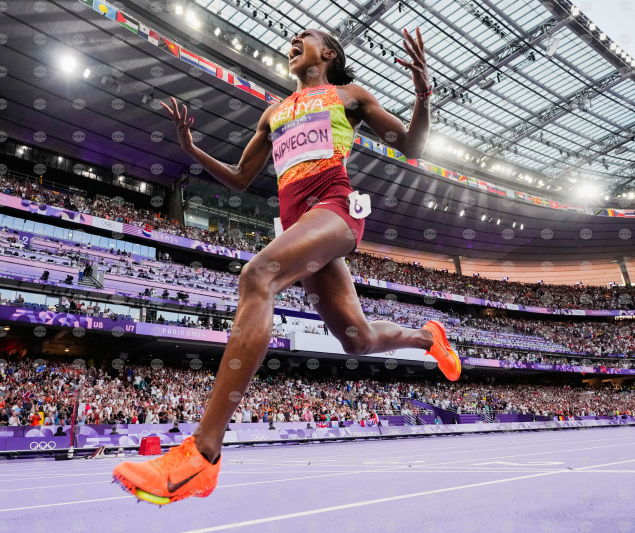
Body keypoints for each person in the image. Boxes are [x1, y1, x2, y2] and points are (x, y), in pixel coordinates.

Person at [113, 27, 460, 505]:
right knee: (357, 340)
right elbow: (240, 177)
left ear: (328, 53)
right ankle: (426, 337)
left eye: (305, 36)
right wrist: (191, 148)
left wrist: (423, 95)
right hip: (301, 225)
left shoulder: (349, 96)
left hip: (335, 210)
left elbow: (412, 147)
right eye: (292, 38)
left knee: (258, 276)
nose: (293, 41)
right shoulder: (273, 113)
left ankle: (203, 454)